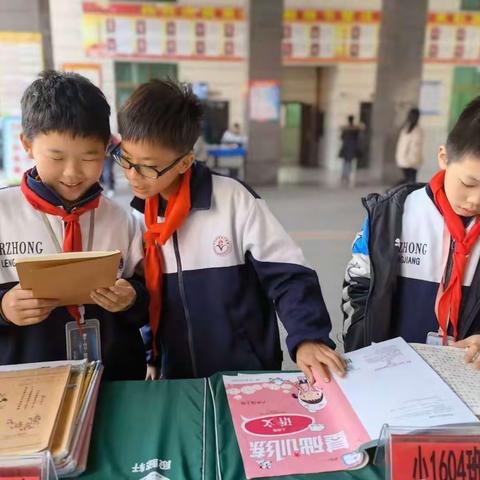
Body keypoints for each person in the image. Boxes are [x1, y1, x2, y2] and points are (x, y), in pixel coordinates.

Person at [114, 79, 346, 383]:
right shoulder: (137, 215)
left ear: (185, 162)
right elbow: (144, 296)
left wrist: (307, 337)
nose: (132, 176)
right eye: (126, 160)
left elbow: (288, 274)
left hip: (245, 371)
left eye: (147, 167)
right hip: (178, 375)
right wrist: (151, 353)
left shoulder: (234, 200)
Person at [0, 71, 149, 380]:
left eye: (89, 158)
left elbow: (149, 299)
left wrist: (131, 299)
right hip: (25, 383)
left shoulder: (122, 220)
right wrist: (3, 309)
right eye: (56, 157)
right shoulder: (4, 213)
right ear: (27, 144)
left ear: (107, 149)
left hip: (114, 379)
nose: (72, 173)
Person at [342, 96, 480, 369]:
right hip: (393, 374)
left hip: (468, 379)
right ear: (443, 158)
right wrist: (361, 348)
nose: (476, 199)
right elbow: (358, 285)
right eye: (468, 183)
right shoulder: (392, 215)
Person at [395, 107, 423, 184]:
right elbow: (408, 147)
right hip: (409, 161)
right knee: (409, 182)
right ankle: (392, 190)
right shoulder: (410, 130)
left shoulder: (408, 129)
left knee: (409, 181)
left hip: (409, 160)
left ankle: (393, 190)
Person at [338, 115, 362, 186]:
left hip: (347, 146)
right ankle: (346, 175)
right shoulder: (354, 129)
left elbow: (341, 137)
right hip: (351, 146)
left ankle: (345, 175)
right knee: (349, 162)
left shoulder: (347, 129)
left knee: (346, 162)